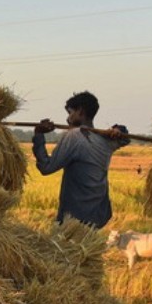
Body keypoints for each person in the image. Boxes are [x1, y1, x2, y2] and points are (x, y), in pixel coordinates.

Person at [33, 91, 129, 229]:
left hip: (75, 218)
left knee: (67, 243)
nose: (68, 118)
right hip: (98, 215)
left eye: (70, 113)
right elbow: (125, 138)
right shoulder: (105, 139)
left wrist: (38, 134)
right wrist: (119, 129)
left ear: (80, 111)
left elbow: (46, 167)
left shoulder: (74, 136)